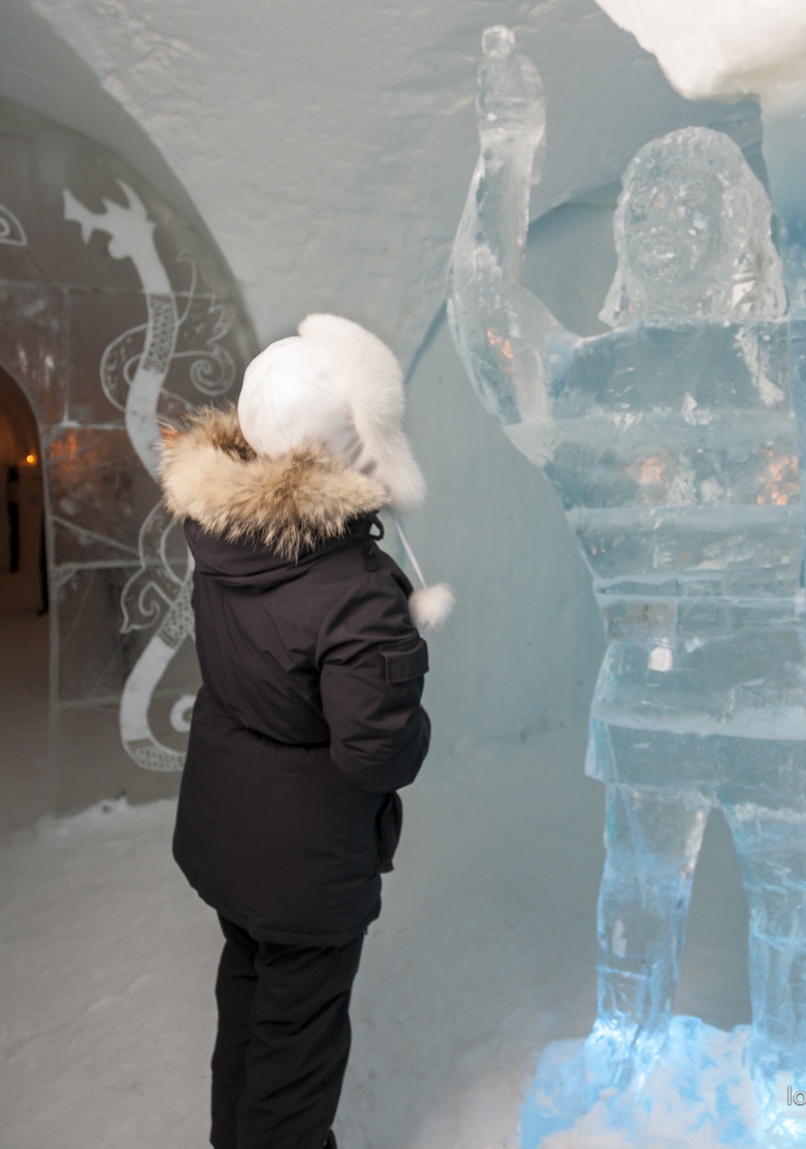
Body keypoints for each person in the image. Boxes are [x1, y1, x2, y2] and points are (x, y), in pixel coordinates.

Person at [448, 26, 806, 1134]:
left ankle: (796, 1078)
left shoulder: (800, 365)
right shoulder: (591, 378)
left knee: (793, 913)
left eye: (691, 209)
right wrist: (503, 158)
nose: (662, 230)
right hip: (655, 700)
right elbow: (483, 324)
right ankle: (625, 1046)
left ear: (741, 231)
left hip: (777, 705)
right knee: (636, 899)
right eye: (645, 211)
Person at [159, 312, 450, 1149]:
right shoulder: (354, 591)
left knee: (250, 1001)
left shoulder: (222, 535)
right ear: (355, 445)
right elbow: (377, 748)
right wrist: (407, 696)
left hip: (231, 830)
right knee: (298, 1047)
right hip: (304, 861)